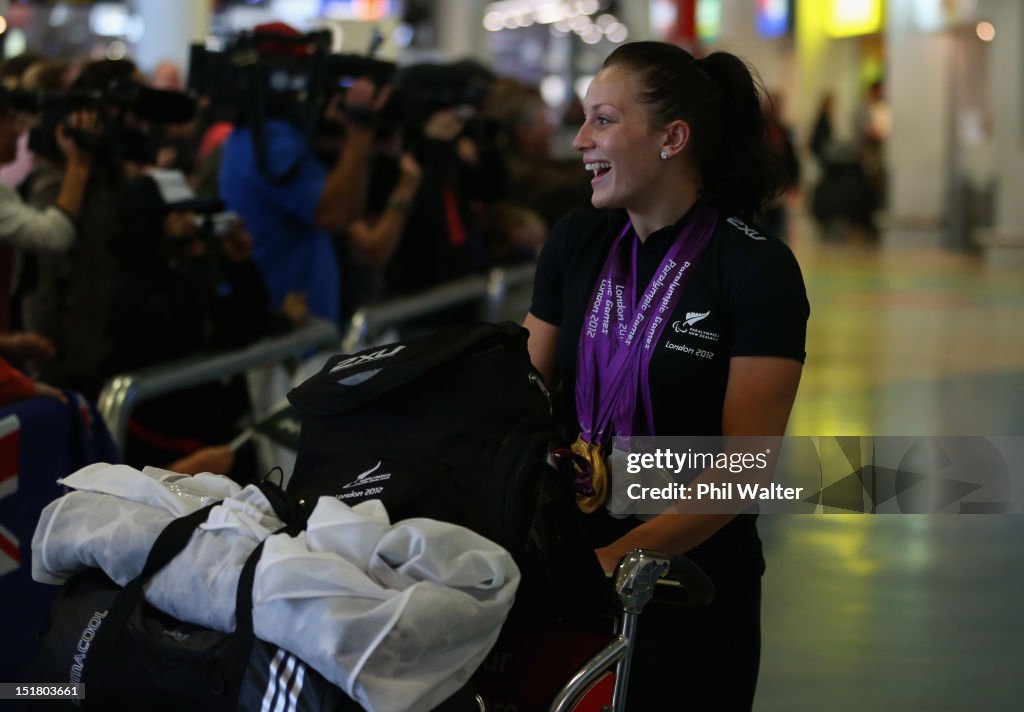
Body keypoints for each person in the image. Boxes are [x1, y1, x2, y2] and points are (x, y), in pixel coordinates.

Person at [523, 42, 809, 709]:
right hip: (569, 575)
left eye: (603, 119)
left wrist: (619, 560)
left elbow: (743, 469)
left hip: (690, 583)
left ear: (671, 138)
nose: (580, 139)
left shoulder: (753, 268)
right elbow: (521, 393)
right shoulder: (577, 240)